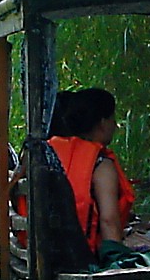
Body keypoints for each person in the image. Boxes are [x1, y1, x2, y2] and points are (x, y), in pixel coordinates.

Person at [46, 87, 137, 260]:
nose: (115, 125)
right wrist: (118, 260)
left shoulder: (48, 152)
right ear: (103, 123)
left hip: (47, 253)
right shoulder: (101, 165)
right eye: (112, 119)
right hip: (82, 258)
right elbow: (108, 221)